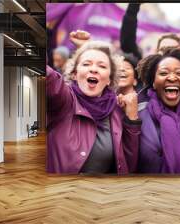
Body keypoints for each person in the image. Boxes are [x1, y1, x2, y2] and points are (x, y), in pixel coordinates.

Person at [46, 39, 141, 174]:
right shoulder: (64, 100)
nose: (94, 69)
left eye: (102, 66)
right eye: (86, 64)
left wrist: (132, 120)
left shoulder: (117, 111)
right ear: (74, 74)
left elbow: (127, 166)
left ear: (109, 79)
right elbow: (48, 77)